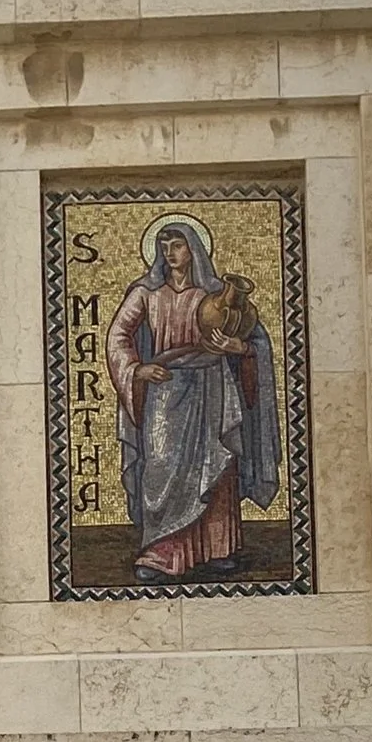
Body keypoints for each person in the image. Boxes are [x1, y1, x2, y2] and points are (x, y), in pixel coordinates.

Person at [104, 216, 281, 582]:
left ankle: (217, 548)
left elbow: (257, 341)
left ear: (193, 249)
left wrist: (239, 347)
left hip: (212, 386)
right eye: (164, 245)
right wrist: (137, 369)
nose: (170, 252)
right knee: (161, 465)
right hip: (166, 387)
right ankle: (160, 552)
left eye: (177, 245)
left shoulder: (216, 294)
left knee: (216, 465)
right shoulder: (146, 293)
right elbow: (118, 335)